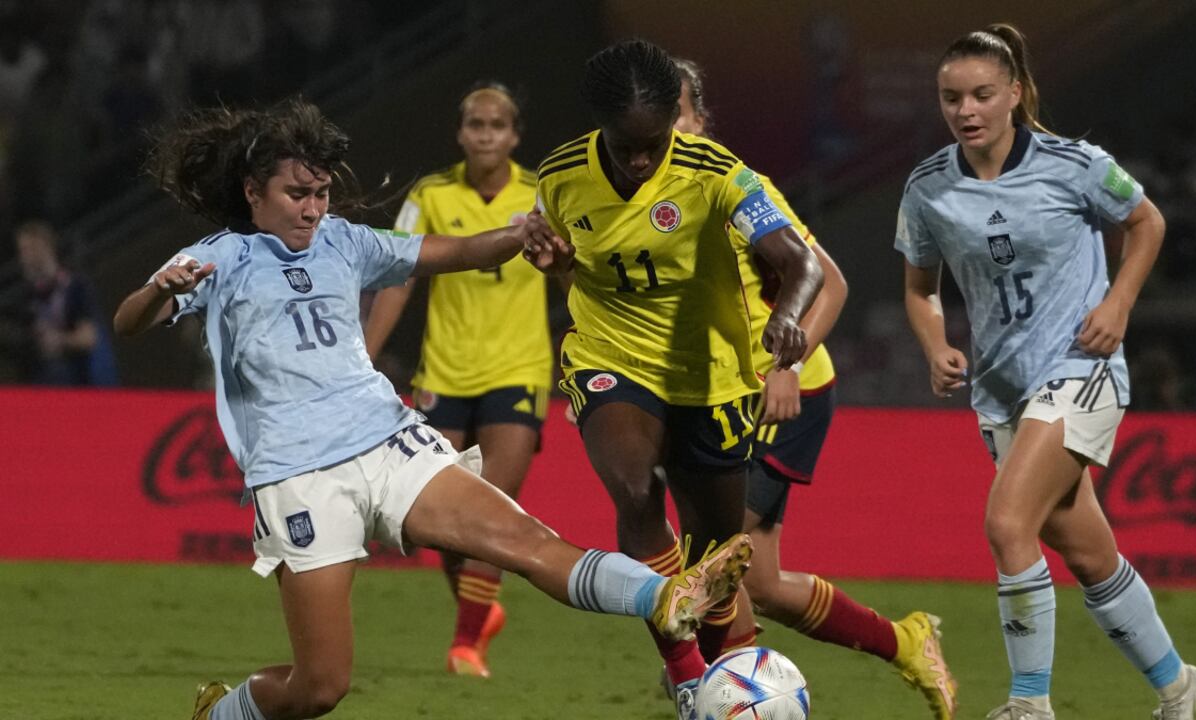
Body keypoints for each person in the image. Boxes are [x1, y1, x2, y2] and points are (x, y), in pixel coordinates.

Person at [113, 97, 752, 720]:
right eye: (297, 195)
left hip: (388, 442)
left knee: (526, 541)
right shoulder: (220, 257)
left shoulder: (345, 241)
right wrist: (160, 290)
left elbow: (458, 252)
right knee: (320, 687)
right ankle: (221, 714)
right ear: (254, 192)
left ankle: (664, 596)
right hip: (298, 475)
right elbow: (129, 321)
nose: (313, 209)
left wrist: (519, 234)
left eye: (322, 194)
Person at [895, 24, 1196, 720]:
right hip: (1002, 389)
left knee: (1008, 523)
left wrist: (1119, 303)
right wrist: (934, 344)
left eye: (982, 94)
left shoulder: (1075, 164)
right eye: (951, 97)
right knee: (1089, 554)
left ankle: (1029, 704)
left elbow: (1147, 222)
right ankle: (1177, 686)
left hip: (1081, 368)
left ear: (1015, 93)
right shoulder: (928, 187)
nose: (966, 110)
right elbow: (920, 288)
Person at [529, 40, 823, 719]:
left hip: (709, 377)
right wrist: (557, 262)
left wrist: (786, 319)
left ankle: (715, 677)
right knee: (635, 492)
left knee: (715, 562)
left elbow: (800, 261)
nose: (640, 160)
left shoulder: (717, 173)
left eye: (653, 144)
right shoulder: (560, 176)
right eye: (625, 146)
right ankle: (690, 679)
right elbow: (572, 267)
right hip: (610, 356)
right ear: (599, 124)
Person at [671, 57, 958, 720]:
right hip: (710, 399)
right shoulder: (643, 203)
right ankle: (906, 643)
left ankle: (717, 694)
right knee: (763, 583)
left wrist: (787, 367)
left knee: (715, 557)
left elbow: (830, 283)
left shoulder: (740, 189)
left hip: (780, 398)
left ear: (700, 120)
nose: (664, 129)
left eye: (676, 114)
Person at [362, 82, 548, 679]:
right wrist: (362, 355)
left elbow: (575, 274)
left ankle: (467, 645)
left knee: (492, 503)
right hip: (443, 371)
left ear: (514, 135)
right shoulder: (430, 195)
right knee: (439, 516)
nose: (486, 134)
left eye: (497, 125)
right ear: (461, 133)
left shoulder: (543, 194)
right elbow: (398, 274)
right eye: (475, 124)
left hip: (519, 370)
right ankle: (479, 610)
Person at [12, 219, 117, 385]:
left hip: (85, 380)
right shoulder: (29, 297)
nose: (24, 257)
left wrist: (59, 340)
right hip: (51, 384)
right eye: (22, 251)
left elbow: (89, 337)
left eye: (28, 249)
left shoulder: (76, 286)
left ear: (44, 247)